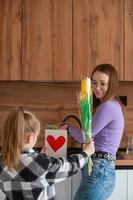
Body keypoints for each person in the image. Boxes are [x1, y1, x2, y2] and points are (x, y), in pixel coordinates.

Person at [0, 107, 95, 200]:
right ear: (31, 138)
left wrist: (40, 158)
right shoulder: (40, 164)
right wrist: (86, 153)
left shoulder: (2, 161)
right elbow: (68, 166)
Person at [61, 64, 124, 200]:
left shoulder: (108, 106)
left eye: (103, 83)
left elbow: (86, 137)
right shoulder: (108, 105)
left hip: (99, 168)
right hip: (100, 168)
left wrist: (67, 128)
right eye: (94, 83)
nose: (97, 87)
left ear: (111, 84)